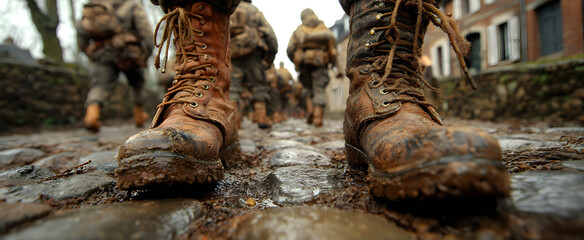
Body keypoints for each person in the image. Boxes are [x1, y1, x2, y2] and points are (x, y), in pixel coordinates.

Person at [117, 0, 510, 202]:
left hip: (292, 66)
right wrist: (276, 58)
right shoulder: (300, 27)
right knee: (268, 89)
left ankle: (379, 89)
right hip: (284, 65)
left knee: (276, 90)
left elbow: (282, 44)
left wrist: (280, 59)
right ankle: (208, 99)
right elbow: (277, 42)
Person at [77, 0, 154, 132]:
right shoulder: (131, 4)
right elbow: (145, 30)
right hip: (129, 52)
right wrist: (146, 52)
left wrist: (95, 53)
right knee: (136, 83)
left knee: (100, 85)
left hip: (103, 53)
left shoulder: (92, 6)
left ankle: (91, 116)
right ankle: (139, 116)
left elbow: (82, 39)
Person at [229, 0, 278, 129]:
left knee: (233, 88)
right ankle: (262, 118)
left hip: (231, 53)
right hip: (253, 54)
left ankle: (234, 123)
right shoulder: (253, 10)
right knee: (258, 86)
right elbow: (270, 35)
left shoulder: (228, 8)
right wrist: (270, 58)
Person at [286, 9, 337, 127]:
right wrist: (333, 64)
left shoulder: (299, 29)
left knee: (307, 88)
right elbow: (332, 48)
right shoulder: (323, 28)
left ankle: (310, 110)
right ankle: (318, 117)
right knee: (319, 89)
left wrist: (296, 60)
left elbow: (290, 49)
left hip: (304, 62)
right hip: (320, 62)